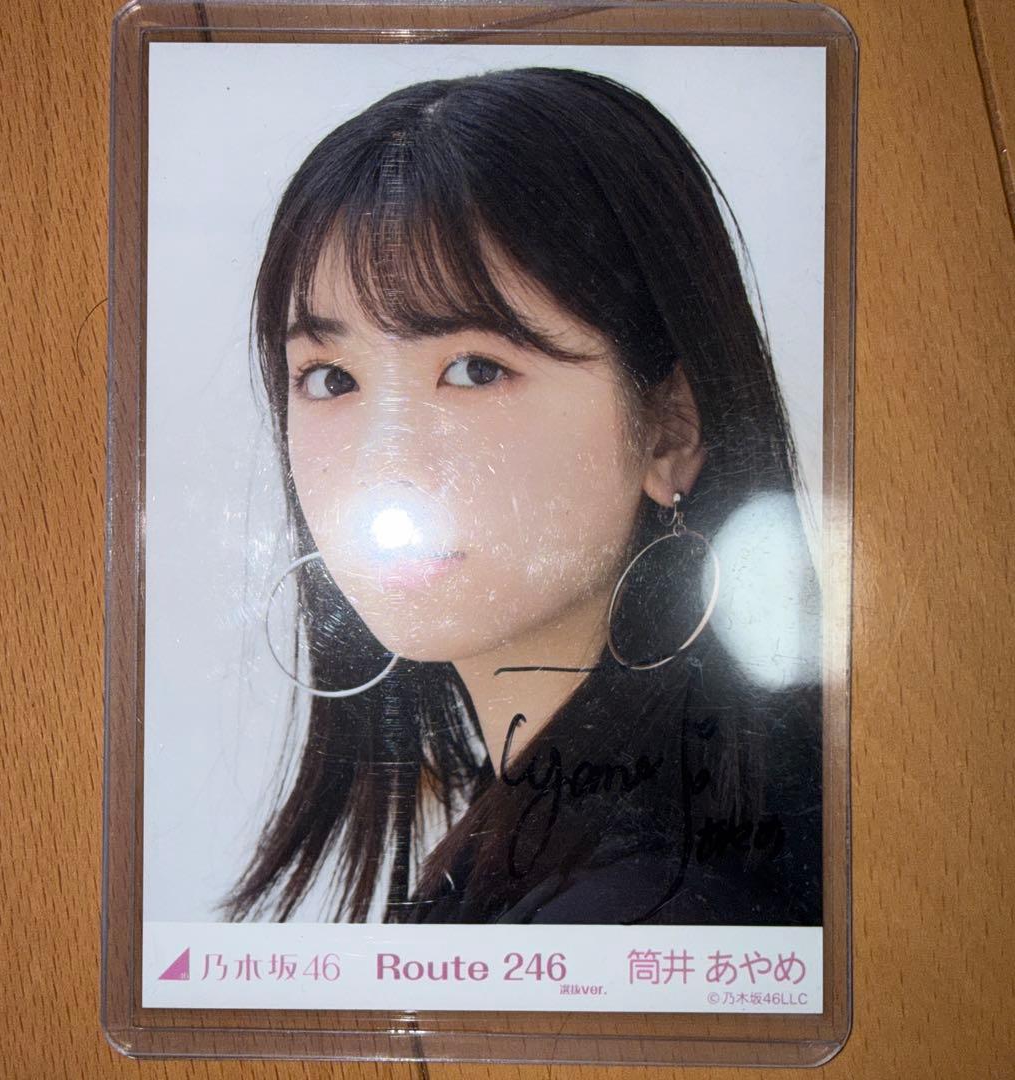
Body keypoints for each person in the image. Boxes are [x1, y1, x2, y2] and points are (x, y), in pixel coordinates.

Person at [217, 67, 823, 926]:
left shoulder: (645, 910)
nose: (385, 463)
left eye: (475, 370)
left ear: (669, 429)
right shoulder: (585, 844)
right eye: (331, 378)